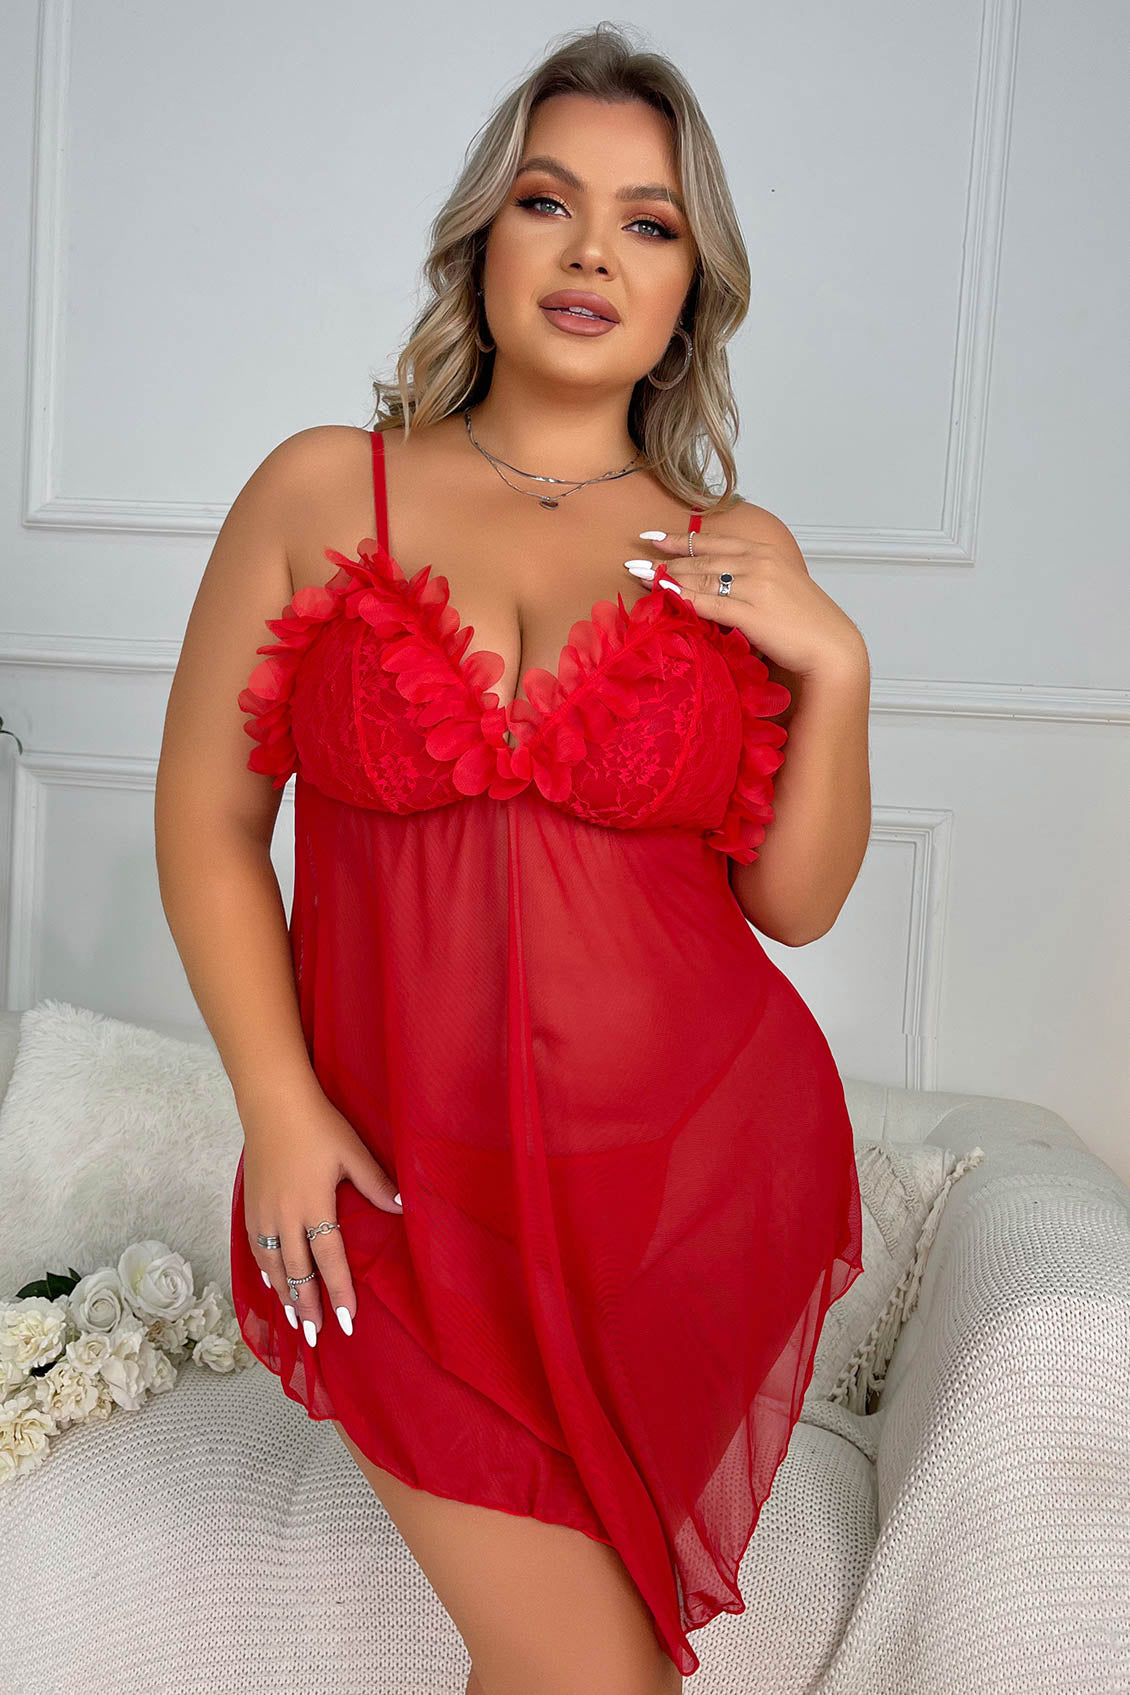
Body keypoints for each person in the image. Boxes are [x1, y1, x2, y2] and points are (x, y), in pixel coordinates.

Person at [155, 23, 871, 1695]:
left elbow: (794, 901)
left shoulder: (729, 554)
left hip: (673, 1205)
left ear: (690, 288)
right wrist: (278, 1104)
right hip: (402, 1198)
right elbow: (206, 826)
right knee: (587, 1675)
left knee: (573, 1671)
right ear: (482, 238)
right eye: (548, 202)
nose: (590, 252)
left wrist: (837, 666)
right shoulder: (322, 490)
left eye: (647, 222)